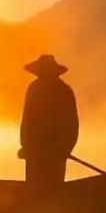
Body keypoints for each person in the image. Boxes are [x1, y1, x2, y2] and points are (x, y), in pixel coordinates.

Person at [18, 54, 79, 190]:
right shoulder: (35, 89)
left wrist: (65, 149)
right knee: (40, 191)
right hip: (36, 153)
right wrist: (25, 146)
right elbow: (26, 122)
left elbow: (71, 125)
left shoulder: (62, 91)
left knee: (47, 190)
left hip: (53, 154)